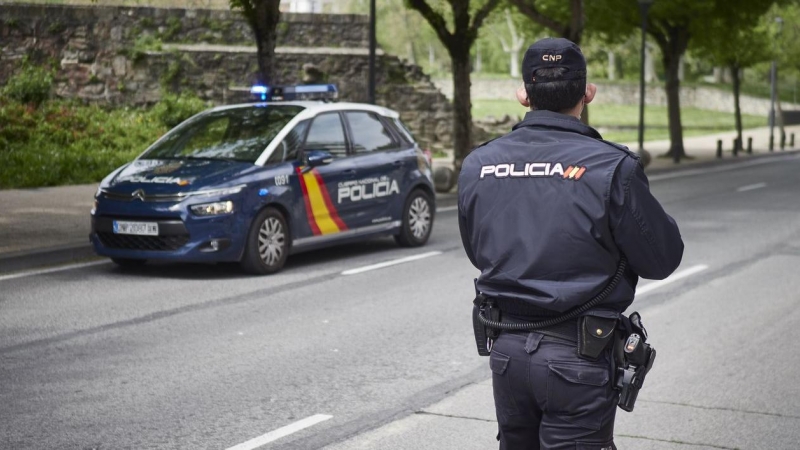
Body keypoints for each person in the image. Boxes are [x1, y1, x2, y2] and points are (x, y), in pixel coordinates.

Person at [457, 37, 684, 450]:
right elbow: (662, 259)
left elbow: (478, 251)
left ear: (524, 94)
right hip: (579, 358)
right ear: (587, 93)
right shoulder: (612, 166)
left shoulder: (478, 164)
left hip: (507, 353)